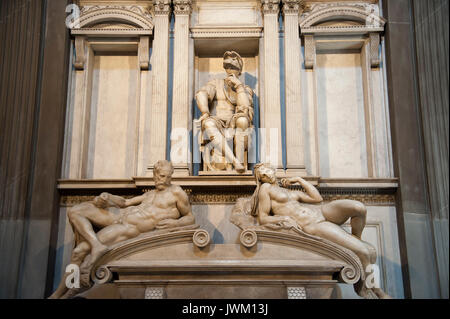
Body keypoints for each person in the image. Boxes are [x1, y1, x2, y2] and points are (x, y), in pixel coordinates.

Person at [50, 160, 194, 298]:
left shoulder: (176, 192)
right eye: (157, 176)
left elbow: (190, 217)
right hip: (119, 219)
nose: (160, 179)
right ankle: (96, 245)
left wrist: (175, 224)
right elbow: (125, 202)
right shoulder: (150, 194)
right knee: (76, 210)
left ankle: (61, 295)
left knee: (78, 252)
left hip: (127, 228)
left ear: (170, 176)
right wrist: (108, 198)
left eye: (164, 176)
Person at [250, 163, 390, 298]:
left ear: (272, 170)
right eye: (261, 175)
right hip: (314, 224)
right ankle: (377, 291)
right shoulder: (265, 188)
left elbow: (317, 198)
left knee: (358, 208)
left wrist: (299, 180)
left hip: (321, 212)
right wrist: (284, 219)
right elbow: (263, 218)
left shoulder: (286, 190)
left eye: (267, 170)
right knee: (365, 252)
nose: (266, 175)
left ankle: (356, 239)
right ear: (260, 180)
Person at [195, 50, 254, 173]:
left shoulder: (245, 88)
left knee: (243, 120)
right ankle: (235, 162)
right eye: (227, 67)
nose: (230, 70)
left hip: (234, 121)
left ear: (239, 70)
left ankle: (239, 162)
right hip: (217, 121)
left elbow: (245, 107)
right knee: (207, 124)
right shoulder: (215, 83)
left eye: (233, 67)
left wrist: (238, 87)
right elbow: (202, 93)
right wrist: (205, 111)